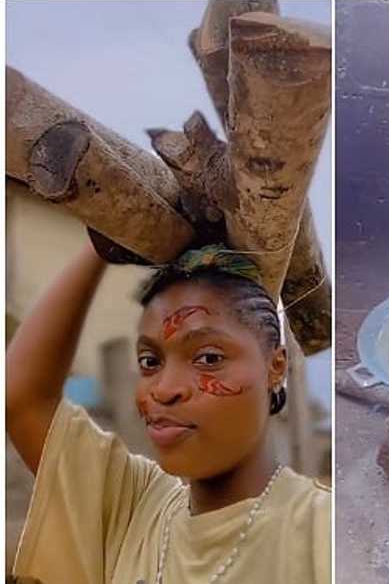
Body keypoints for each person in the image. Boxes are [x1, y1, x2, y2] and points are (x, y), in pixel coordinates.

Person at [6, 243, 331, 583]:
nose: (163, 389)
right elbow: (23, 398)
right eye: (150, 362)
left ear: (275, 367)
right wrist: (101, 244)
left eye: (208, 358)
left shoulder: (320, 530)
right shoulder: (134, 505)